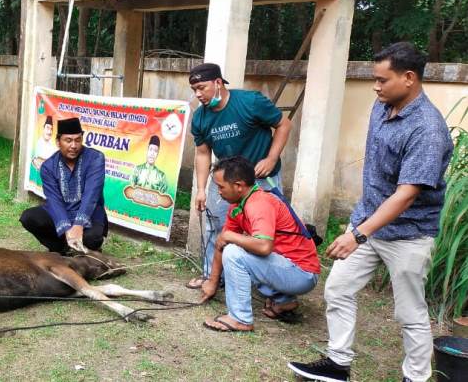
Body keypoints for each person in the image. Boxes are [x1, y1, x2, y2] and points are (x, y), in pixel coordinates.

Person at [288, 42, 452, 382]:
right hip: (366, 222)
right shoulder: (382, 106)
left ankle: (417, 377)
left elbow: (407, 194)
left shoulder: (427, 129)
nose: (375, 86)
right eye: (374, 79)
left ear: (409, 78)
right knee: (338, 289)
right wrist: (360, 227)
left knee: (409, 312)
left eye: (382, 79)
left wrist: (358, 234)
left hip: (408, 234)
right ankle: (338, 363)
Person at [187, 63, 293, 289]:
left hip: (261, 178)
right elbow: (203, 153)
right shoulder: (200, 118)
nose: (198, 94)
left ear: (218, 83)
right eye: (194, 89)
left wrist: (271, 158)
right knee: (217, 226)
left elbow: (284, 124)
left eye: (201, 87)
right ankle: (213, 275)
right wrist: (201, 189)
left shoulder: (250, 102)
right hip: (224, 180)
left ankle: (273, 288)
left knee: (264, 231)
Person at [199, 157, 320, 332]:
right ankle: (285, 301)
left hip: (302, 274)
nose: (218, 192)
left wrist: (230, 236)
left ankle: (240, 318)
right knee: (233, 245)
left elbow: (264, 247)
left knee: (234, 252)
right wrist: (212, 282)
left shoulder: (259, 203)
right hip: (289, 267)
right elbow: (221, 242)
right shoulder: (238, 206)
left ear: (239, 186)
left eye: (221, 187)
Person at [20, 118, 107, 254]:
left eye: (78, 140)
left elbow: (91, 195)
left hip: (89, 213)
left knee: (92, 239)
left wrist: (78, 225)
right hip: (62, 212)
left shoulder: (96, 159)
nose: (74, 145)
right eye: (68, 140)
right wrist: (67, 229)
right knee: (29, 217)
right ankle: (64, 249)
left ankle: (77, 247)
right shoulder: (48, 167)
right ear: (58, 142)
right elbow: (54, 201)